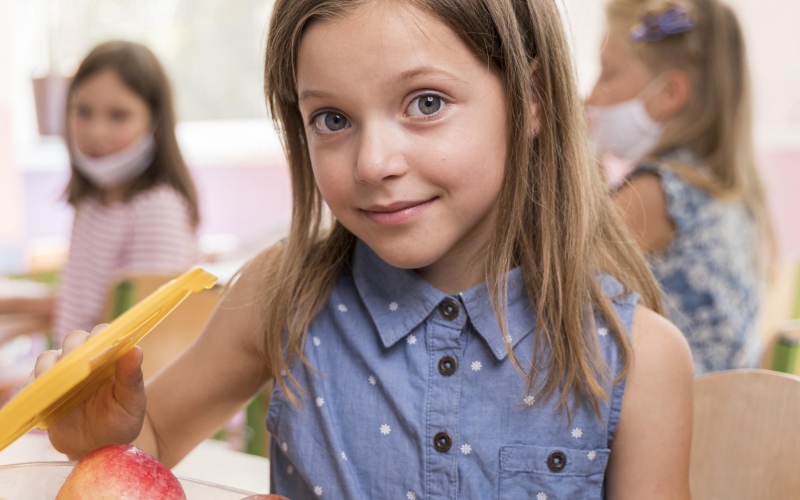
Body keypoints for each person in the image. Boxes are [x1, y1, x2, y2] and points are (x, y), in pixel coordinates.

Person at [33, 2, 693, 498]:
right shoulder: (283, 293)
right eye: (333, 119)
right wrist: (104, 439)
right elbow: (151, 444)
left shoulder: (640, 360)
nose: (374, 162)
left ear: (535, 100)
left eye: (425, 103)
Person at [586, 0, 774, 375]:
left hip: (683, 423)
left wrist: (575, 156)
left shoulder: (659, 193)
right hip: (731, 420)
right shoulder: (725, 193)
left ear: (670, 93)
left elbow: (555, 282)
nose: (591, 96)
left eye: (608, 74)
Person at [0, 41, 200, 342]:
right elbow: (81, 306)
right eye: (83, 111)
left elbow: (145, 336)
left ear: (156, 122)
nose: (95, 132)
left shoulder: (158, 209)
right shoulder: (92, 203)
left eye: (118, 116)